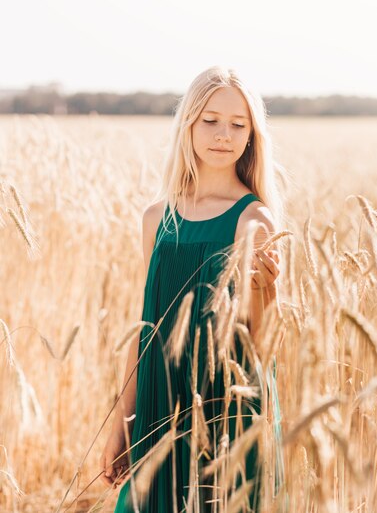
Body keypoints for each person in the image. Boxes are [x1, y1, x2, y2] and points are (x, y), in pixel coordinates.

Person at [100, 66, 287, 512]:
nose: (224, 134)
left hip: (226, 411)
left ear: (251, 136)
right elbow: (147, 326)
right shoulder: (156, 219)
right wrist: (121, 422)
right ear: (188, 122)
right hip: (159, 405)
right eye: (211, 120)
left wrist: (266, 295)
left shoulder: (253, 221)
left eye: (238, 125)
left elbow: (259, 348)